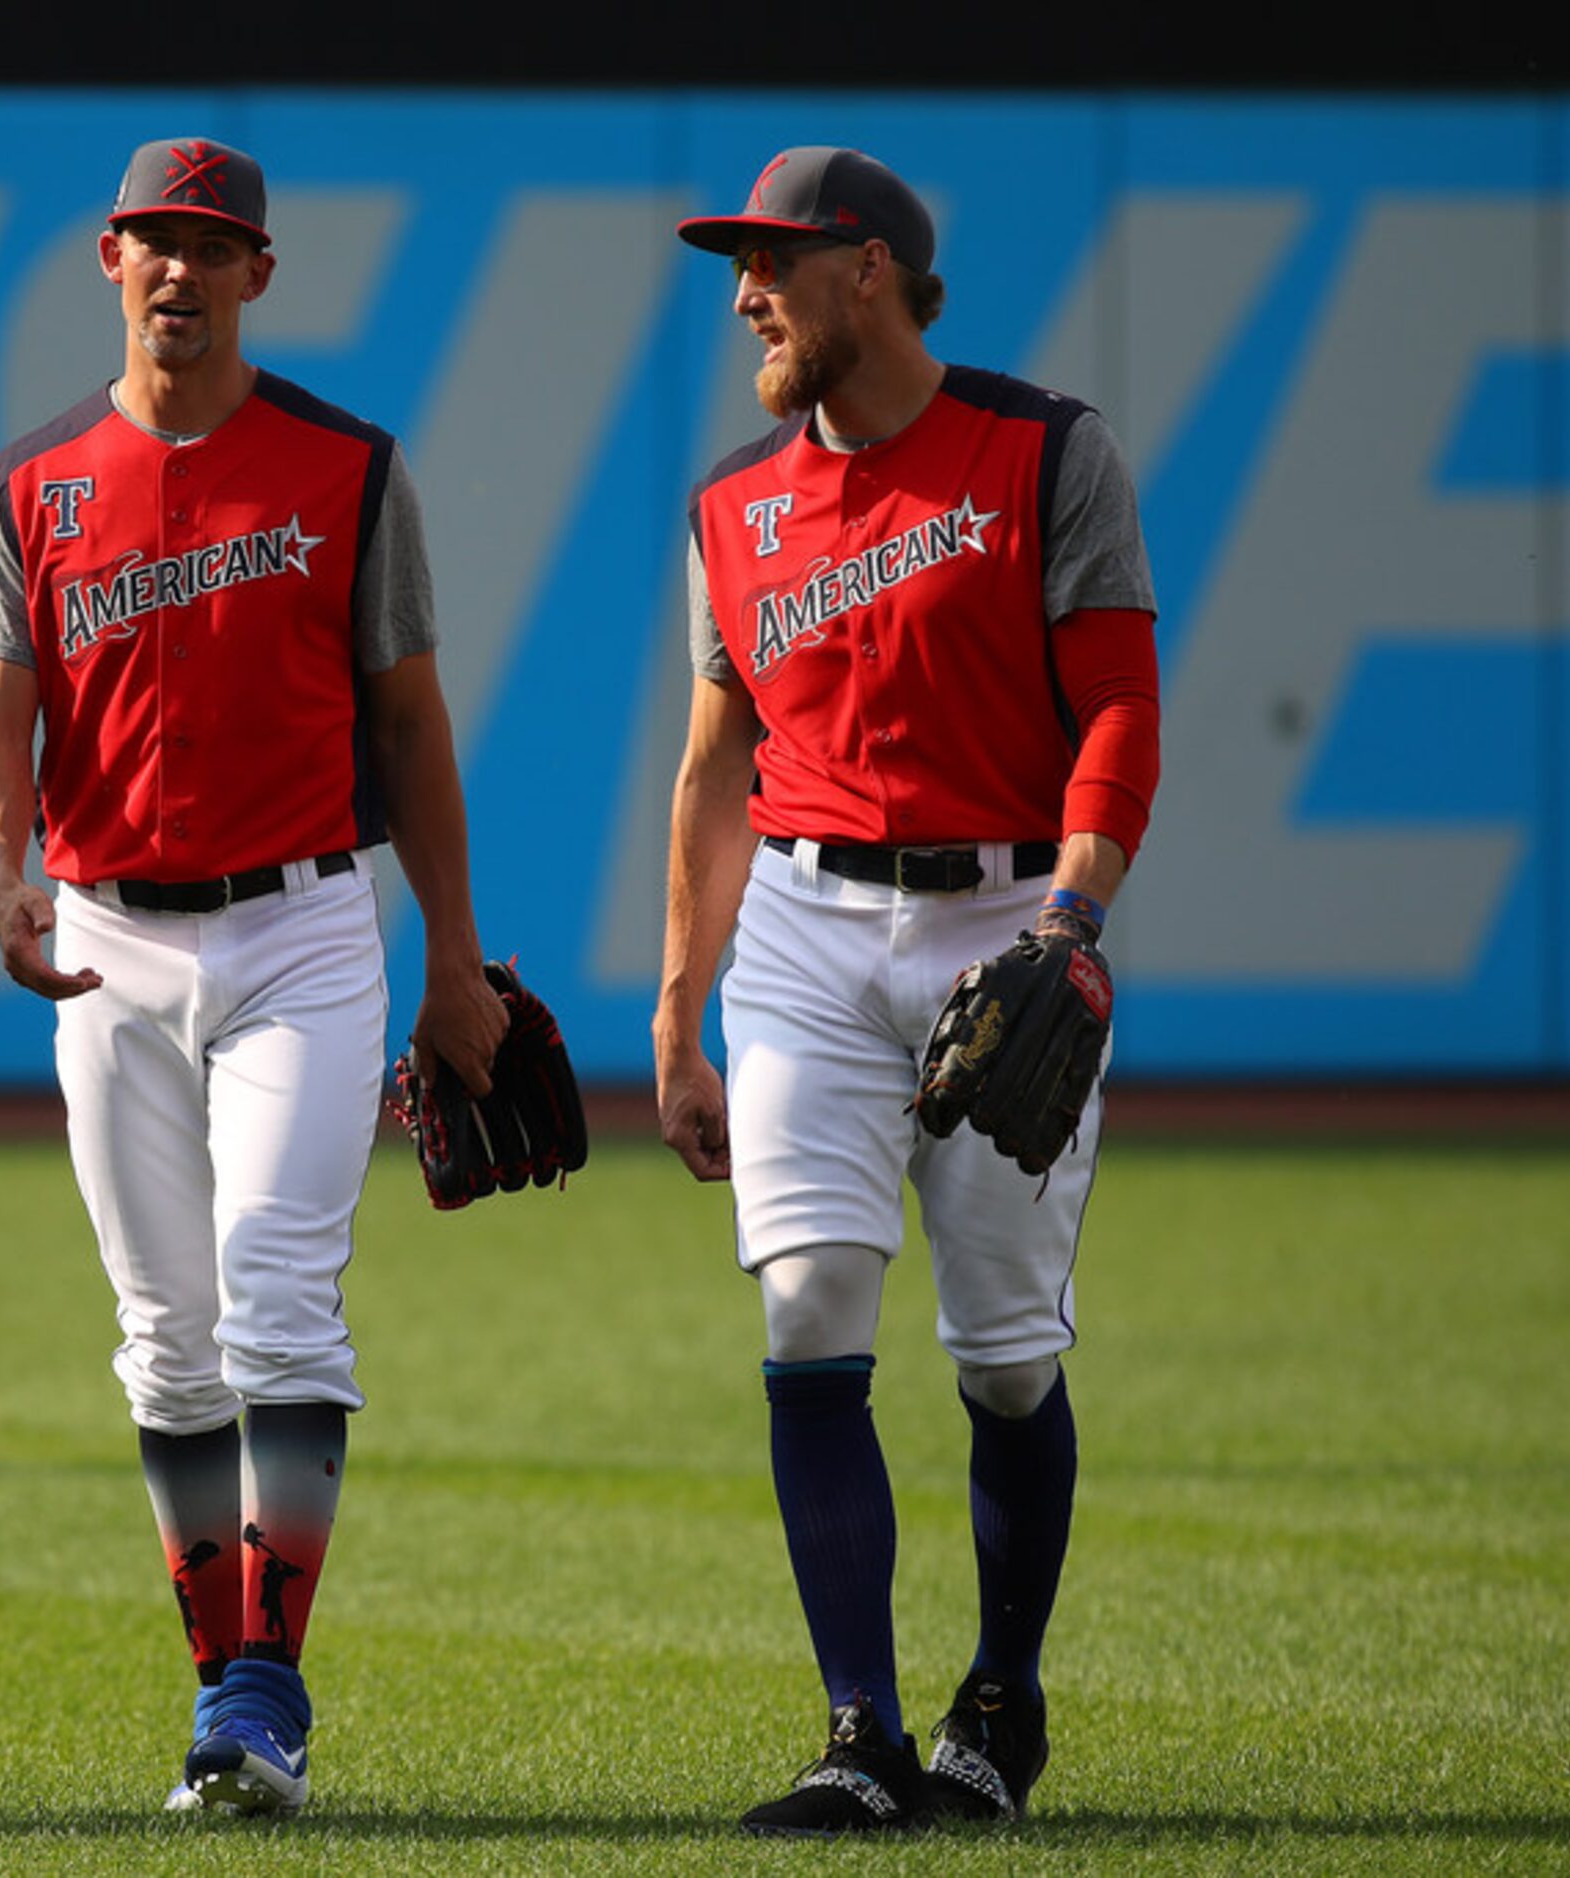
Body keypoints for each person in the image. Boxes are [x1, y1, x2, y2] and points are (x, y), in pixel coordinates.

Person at [0, 136, 505, 1818]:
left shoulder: (345, 466)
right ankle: (228, 1700)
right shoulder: (32, 480)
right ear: (106, 260)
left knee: (273, 1285)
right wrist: (1, 864)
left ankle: (267, 1683)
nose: (179, 271)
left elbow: (407, 724)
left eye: (212, 245)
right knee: (166, 1344)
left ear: (259, 272)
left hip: (300, 924)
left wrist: (457, 963)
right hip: (109, 937)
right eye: (153, 242)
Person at [652, 146, 1162, 1836]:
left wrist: (1070, 923)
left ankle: (996, 1708)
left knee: (1007, 1356)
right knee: (809, 1307)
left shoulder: (1043, 451)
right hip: (802, 935)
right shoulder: (735, 501)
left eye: (771, 263)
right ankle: (858, 1731)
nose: (745, 293)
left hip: (1008, 910)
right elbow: (719, 766)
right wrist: (677, 1003)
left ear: (865, 270)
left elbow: (1117, 711)